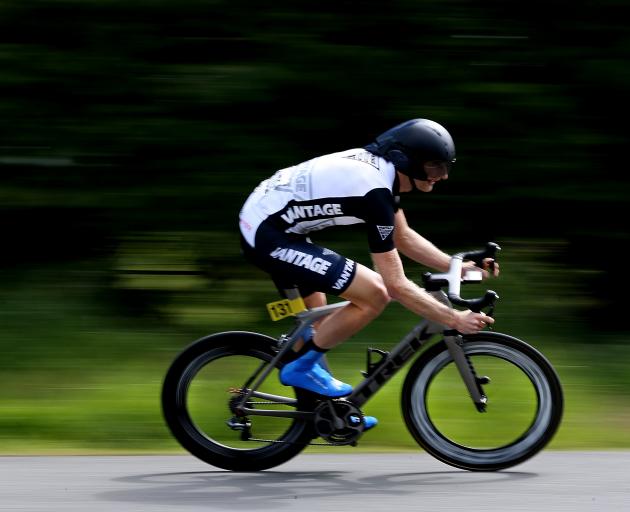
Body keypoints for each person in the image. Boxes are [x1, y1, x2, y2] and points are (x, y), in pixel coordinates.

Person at [238, 118, 499, 430]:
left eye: (445, 167)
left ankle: (330, 414)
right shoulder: (374, 192)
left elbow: (402, 237)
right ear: (407, 161)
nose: (442, 176)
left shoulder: (384, 176)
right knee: (375, 293)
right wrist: (454, 319)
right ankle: (299, 368)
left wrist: (454, 265)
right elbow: (396, 285)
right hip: (267, 234)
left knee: (322, 325)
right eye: (434, 167)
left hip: (275, 225)